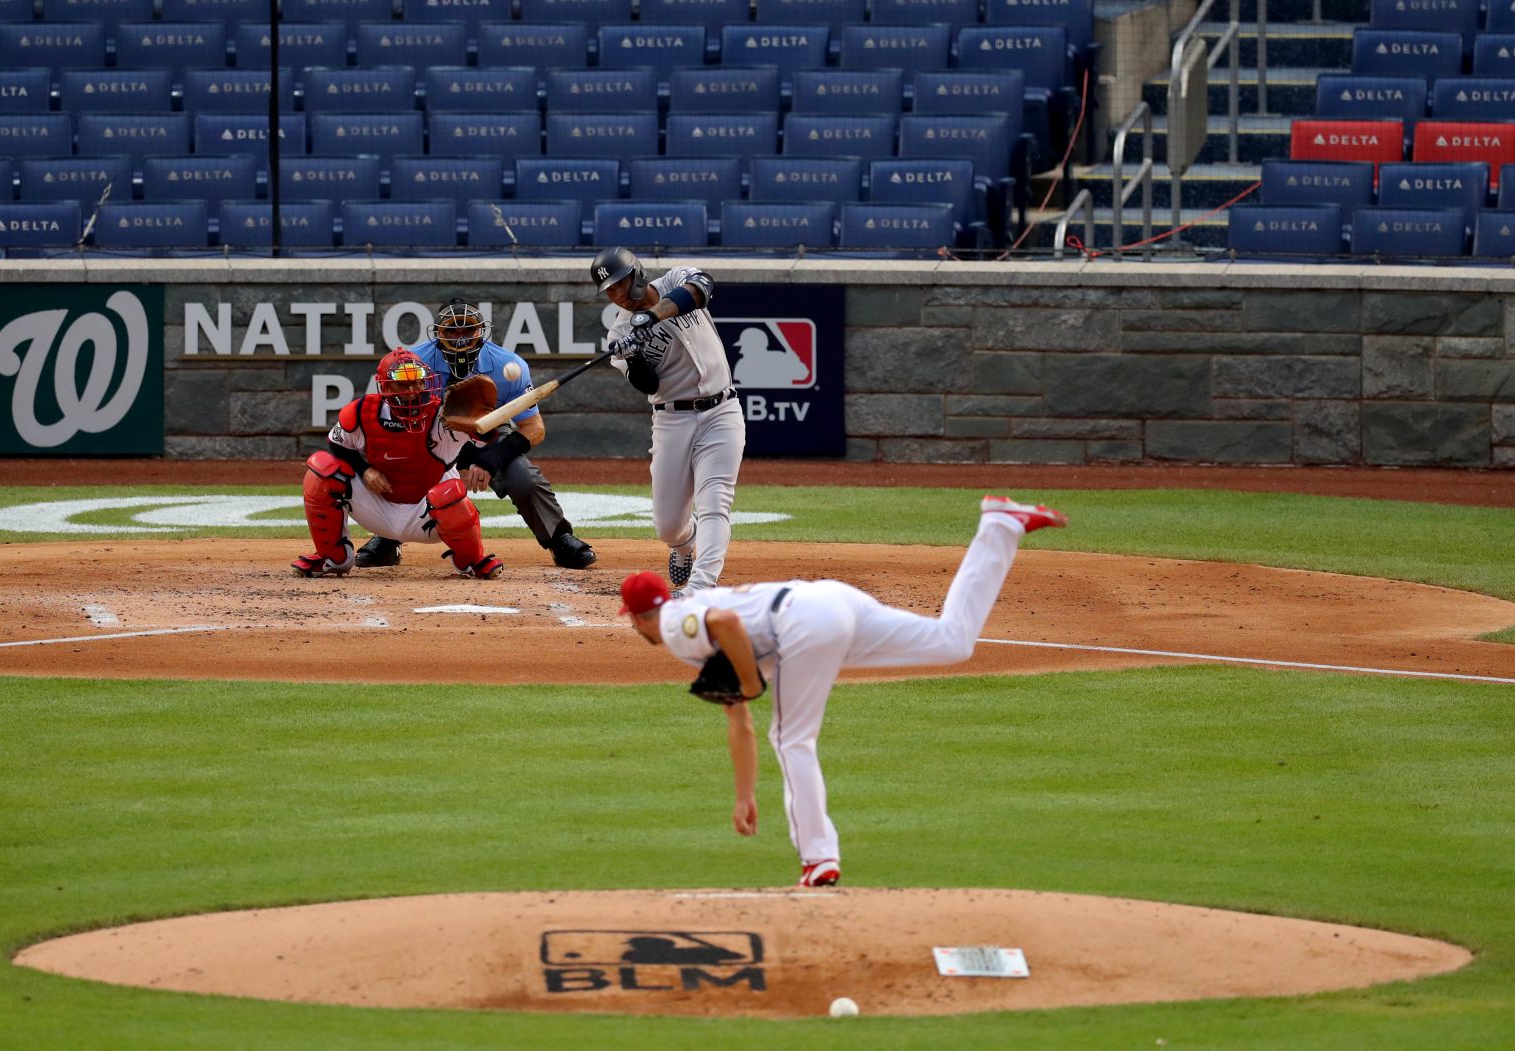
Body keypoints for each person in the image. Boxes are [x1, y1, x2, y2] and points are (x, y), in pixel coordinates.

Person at [617, 494, 1069, 888]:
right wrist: (744, 795)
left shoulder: (675, 624)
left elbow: (727, 624)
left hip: (802, 623)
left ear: (640, 617)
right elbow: (739, 721)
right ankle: (1000, 525)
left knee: (793, 739)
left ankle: (818, 859)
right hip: (832, 602)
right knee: (950, 642)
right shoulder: (693, 624)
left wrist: (752, 681)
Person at [354, 299, 598, 572]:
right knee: (398, 461)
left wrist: (491, 459)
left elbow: (534, 428)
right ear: (438, 333)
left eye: (467, 331)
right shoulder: (413, 362)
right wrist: (460, 462)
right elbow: (389, 417)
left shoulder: (508, 365)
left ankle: (559, 538)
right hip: (425, 432)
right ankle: (387, 539)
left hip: (489, 430)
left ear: (481, 331)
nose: (460, 339)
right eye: (452, 332)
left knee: (524, 479)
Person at [593, 246, 745, 596]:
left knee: (715, 499)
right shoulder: (619, 334)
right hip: (672, 421)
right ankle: (684, 543)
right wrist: (633, 356)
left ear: (636, 274)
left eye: (620, 285)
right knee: (667, 525)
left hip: (722, 411)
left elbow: (702, 287)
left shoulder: (675, 280)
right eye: (609, 291)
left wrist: (654, 317)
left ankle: (701, 585)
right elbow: (649, 384)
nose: (618, 295)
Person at [292, 348, 504, 581]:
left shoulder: (443, 418)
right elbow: (337, 444)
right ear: (386, 387)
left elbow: (486, 437)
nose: (412, 391)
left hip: (429, 515)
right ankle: (334, 558)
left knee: (450, 493)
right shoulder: (362, 412)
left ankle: (472, 560)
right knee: (321, 469)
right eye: (403, 385)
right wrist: (365, 471)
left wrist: (486, 422)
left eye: (417, 383)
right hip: (378, 508)